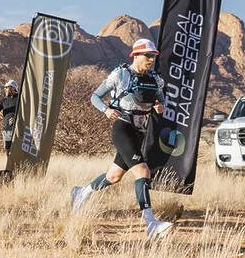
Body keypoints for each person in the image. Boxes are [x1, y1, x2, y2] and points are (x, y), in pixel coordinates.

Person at [70, 38, 174, 237]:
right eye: (147, 56)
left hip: (140, 132)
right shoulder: (120, 75)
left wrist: (161, 107)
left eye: (153, 56)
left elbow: (162, 100)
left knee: (113, 177)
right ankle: (151, 224)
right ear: (135, 55)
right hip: (122, 128)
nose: (151, 60)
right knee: (143, 173)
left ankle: (81, 193)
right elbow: (95, 96)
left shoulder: (156, 79)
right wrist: (106, 110)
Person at [0, 79, 20, 155]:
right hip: (6, 129)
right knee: (8, 150)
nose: (5, 89)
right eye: (5, 87)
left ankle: (20, 166)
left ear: (13, 88)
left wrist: (16, 118)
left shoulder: (20, 98)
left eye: (7, 87)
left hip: (17, 128)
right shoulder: (4, 100)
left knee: (17, 150)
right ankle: (10, 166)